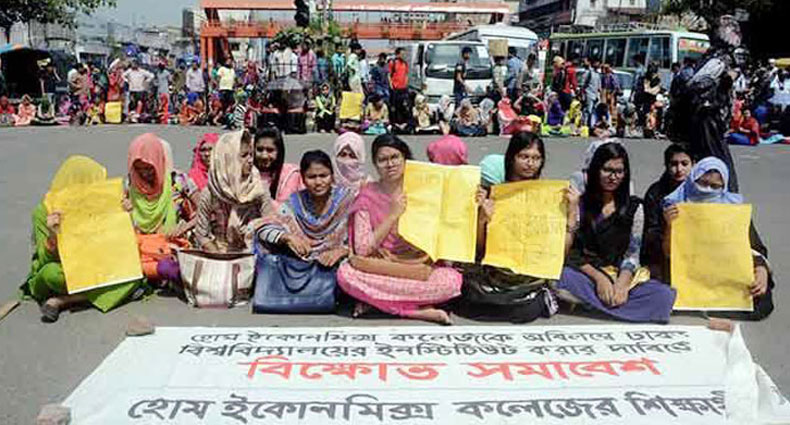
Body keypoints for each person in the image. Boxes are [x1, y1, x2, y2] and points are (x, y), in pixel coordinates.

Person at [336, 135, 462, 324]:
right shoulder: (367, 195)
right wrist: (393, 215)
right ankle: (417, 311)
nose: (390, 164)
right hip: (382, 267)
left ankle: (378, 303)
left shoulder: (423, 190)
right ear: (375, 164)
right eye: (382, 160)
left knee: (450, 281)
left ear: (405, 159)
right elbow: (362, 249)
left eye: (395, 157)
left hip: (419, 268)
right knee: (346, 275)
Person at [459, 132, 576, 322]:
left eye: (536, 158)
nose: (530, 163)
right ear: (511, 158)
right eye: (524, 156)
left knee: (526, 307)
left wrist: (571, 213)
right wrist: (482, 219)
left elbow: (559, 254)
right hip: (496, 274)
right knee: (466, 294)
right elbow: (479, 250)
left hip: (530, 277)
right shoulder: (495, 195)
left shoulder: (550, 198)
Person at [557, 142, 677, 323]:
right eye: (607, 170)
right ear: (596, 170)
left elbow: (633, 253)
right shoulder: (581, 204)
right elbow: (573, 252)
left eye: (619, 171)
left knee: (663, 296)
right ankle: (618, 307)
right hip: (588, 273)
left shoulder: (635, 207)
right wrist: (599, 279)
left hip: (621, 273)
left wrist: (622, 284)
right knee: (561, 278)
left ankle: (594, 304)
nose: (613, 177)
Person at [22, 156, 142, 322]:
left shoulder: (99, 203)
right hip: (64, 268)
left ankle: (62, 301)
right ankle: (102, 294)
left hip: (93, 265)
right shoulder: (44, 212)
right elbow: (43, 261)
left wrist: (124, 215)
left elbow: (116, 244)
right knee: (51, 274)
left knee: (134, 274)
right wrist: (53, 234)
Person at [661, 157, 774, 320]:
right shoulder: (674, 207)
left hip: (723, 276)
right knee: (662, 295)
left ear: (724, 186)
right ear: (692, 180)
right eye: (702, 183)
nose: (707, 190)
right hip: (689, 275)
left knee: (761, 298)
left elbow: (753, 247)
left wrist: (761, 270)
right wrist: (670, 226)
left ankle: (709, 306)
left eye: (715, 186)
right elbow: (667, 254)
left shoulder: (732, 210)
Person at [256, 151, 355, 297]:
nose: (318, 182)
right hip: (302, 262)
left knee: (355, 268)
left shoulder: (347, 200)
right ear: (302, 178)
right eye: (311, 177)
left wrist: (343, 251)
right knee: (263, 245)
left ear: (332, 176)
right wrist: (288, 238)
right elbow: (264, 228)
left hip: (337, 262)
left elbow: (366, 237)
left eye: (323, 176)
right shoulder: (295, 202)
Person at [196, 130, 269, 253]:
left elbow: (270, 222)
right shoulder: (211, 192)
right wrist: (219, 257)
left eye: (251, 155)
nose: (250, 160)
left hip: (253, 252)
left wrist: (253, 228)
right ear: (228, 158)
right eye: (244, 156)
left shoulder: (258, 188)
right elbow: (201, 234)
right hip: (219, 253)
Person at [125, 134, 184, 282]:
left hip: (168, 243)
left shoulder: (177, 180)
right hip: (141, 246)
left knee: (165, 266)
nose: (144, 173)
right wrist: (125, 211)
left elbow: (202, 210)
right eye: (138, 169)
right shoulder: (130, 183)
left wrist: (184, 227)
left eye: (149, 168)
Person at [640, 144, 693, 282]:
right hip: (662, 257)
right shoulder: (655, 193)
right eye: (674, 164)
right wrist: (667, 225)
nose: (679, 169)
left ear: (693, 164)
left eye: (684, 164)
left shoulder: (700, 190)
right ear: (666, 165)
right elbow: (650, 233)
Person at [254, 126, 303, 204]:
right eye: (259, 150)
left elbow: (287, 207)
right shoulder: (246, 174)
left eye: (270, 150)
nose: (264, 156)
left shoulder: (291, 175)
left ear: (279, 151)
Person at [388, 48, 410, 129]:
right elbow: (389, 75)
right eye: (402, 54)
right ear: (397, 54)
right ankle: (395, 123)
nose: (404, 55)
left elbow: (406, 74)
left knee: (404, 106)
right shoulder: (393, 63)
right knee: (395, 107)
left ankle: (403, 123)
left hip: (403, 88)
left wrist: (406, 83)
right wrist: (391, 85)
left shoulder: (405, 63)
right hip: (395, 88)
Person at [581, 57, 602, 127]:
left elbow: (599, 86)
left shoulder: (598, 74)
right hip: (589, 94)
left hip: (595, 95)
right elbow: (583, 84)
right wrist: (583, 94)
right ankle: (585, 125)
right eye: (597, 63)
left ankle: (591, 125)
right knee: (588, 111)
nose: (598, 64)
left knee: (593, 111)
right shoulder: (589, 72)